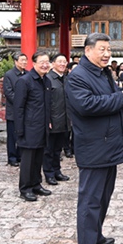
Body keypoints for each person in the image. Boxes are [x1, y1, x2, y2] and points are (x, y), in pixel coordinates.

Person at [65, 32, 123, 244]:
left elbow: (112, 97)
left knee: (103, 197)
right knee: (90, 201)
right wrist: (120, 98)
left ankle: (96, 236)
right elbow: (87, 105)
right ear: (88, 50)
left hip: (108, 145)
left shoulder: (103, 73)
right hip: (93, 147)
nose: (107, 54)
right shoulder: (77, 77)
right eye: (102, 49)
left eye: (108, 49)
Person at [15, 51, 52, 202]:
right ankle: (25, 188)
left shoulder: (47, 81)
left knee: (38, 159)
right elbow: (18, 107)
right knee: (28, 161)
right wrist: (19, 130)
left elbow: (48, 105)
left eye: (47, 62)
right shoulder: (25, 81)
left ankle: (36, 184)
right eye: (41, 62)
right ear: (34, 64)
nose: (45, 65)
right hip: (29, 127)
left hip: (42, 126)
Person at [44, 54, 71, 186]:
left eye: (64, 62)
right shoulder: (48, 79)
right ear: (52, 63)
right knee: (49, 149)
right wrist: (47, 118)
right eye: (59, 62)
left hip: (64, 119)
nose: (62, 64)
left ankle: (57, 171)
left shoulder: (66, 79)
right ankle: (49, 174)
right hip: (52, 119)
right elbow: (45, 102)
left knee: (58, 149)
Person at [2, 52, 27, 167]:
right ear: (16, 61)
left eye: (25, 60)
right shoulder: (9, 75)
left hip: (26, 111)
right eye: (22, 60)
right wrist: (20, 102)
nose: (24, 62)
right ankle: (12, 157)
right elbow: (8, 92)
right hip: (13, 111)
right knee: (12, 136)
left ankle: (21, 155)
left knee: (23, 135)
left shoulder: (28, 74)